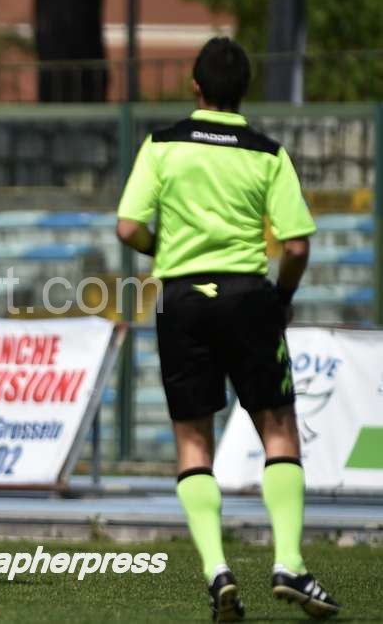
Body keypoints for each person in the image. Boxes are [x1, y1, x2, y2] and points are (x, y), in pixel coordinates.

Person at [116, 37, 339, 621]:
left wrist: (167, 249)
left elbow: (128, 227)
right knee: (278, 428)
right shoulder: (267, 152)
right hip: (246, 297)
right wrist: (281, 298)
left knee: (193, 442)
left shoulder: (162, 144)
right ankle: (289, 562)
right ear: (245, 91)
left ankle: (217, 570)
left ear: (194, 86)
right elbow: (296, 246)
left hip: (182, 299)